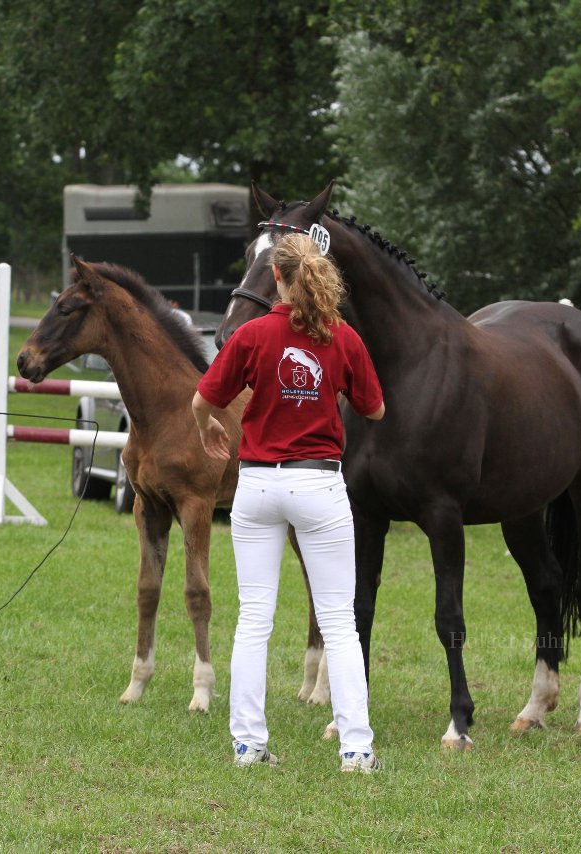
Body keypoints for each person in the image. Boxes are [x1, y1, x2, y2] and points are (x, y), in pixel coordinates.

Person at [192, 232, 386, 773]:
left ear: (274, 276)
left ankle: (248, 745)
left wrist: (206, 426)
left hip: (256, 487)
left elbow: (202, 398)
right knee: (339, 622)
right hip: (319, 485)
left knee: (254, 619)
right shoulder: (344, 338)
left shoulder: (252, 335)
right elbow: (375, 411)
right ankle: (356, 749)